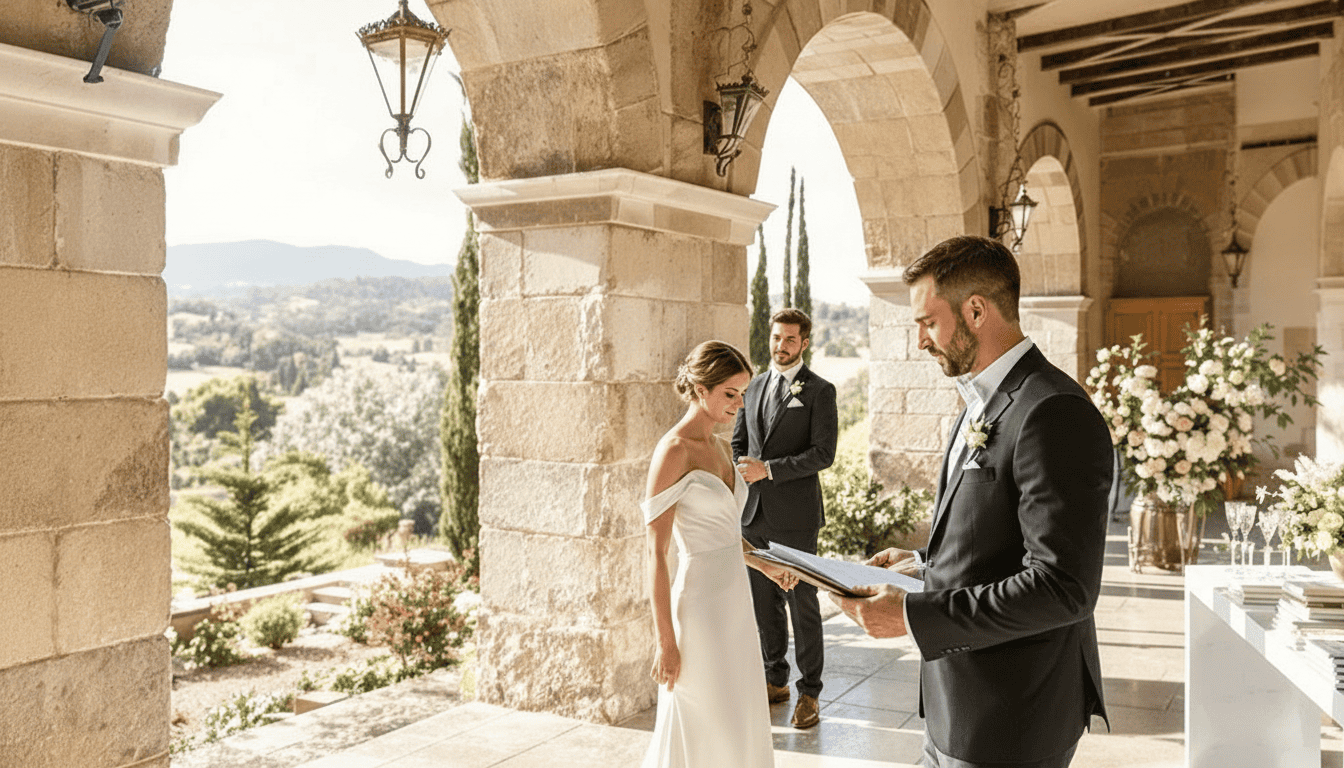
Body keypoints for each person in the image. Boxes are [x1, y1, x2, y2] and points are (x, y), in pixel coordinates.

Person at [832, 235, 1112, 768]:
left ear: (976, 310)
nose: (920, 341)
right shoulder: (977, 403)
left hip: (1012, 714)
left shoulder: (1054, 411)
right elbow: (996, 537)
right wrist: (921, 566)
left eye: (928, 322)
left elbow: (1063, 587)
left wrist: (914, 619)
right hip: (956, 702)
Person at [641, 340, 798, 768]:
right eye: (730, 394)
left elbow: (728, 535)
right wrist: (665, 641)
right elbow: (655, 553)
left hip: (734, 601)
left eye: (743, 394)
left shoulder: (721, 447)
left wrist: (765, 564)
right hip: (700, 608)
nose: (739, 404)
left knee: (738, 715)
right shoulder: (674, 451)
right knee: (704, 718)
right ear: (699, 387)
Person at [732, 309, 838, 729]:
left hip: (796, 518)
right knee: (764, 602)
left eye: (790, 339)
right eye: (777, 338)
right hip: (753, 513)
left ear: (804, 343)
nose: (781, 345)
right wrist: (744, 468)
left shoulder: (819, 391)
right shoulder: (753, 387)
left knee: (802, 603)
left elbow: (823, 453)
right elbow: (740, 441)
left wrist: (770, 470)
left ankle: (809, 691)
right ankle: (774, 679)